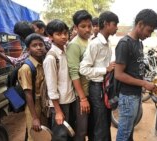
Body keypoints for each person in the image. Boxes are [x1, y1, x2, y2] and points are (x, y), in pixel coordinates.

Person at [114, 9, 157, 141]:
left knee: (129, 131)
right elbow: (119, 74)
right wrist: (144, 83)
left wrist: (145, 80)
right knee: (124, 133)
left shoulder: (139, 43)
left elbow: (133, 71)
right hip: (128, 97)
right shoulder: (125, 44)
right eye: (149, 30)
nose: (149, 35)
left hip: (136, 94)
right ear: (140, 24)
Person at [79, 11, 119, 141]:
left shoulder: (107, 43)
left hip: (105, 87)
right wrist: (105, 69)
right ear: (106, 24)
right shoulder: (95, 44)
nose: (117, 27)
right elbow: (83, 69)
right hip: (97, 88)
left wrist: (110, 66)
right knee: (99, 124)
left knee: (105, 121)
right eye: (115, 24)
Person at [43, 19, 76, 141]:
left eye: (65, 33)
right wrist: (57, 111)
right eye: (58, 34)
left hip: (70, 99)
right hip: (59, 104)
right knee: (60, 136)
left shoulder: (66, 50)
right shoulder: (51, 58)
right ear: (50, 37)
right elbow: (51, 88)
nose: (63, 37)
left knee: (69, 133)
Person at [66, 10, 92, 141]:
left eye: (89, 26)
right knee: (81, 130)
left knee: (87, 128)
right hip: (81, 95)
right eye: (83, 26)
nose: (87, 29)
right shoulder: (74, 45)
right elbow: (74, 73)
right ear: (75, 27)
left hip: (90, 91)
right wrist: (82, 98)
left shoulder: (89, 42)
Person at [17, 33, 47, 141]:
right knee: (34, 134)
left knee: (44, 133)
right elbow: (28, 93)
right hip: (33, 105)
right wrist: (34, 117)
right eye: (34, 45)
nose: (39, 47)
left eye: (41, 44)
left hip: (43, 103)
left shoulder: (43, 63)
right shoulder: (27, 68)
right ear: (28, 49)